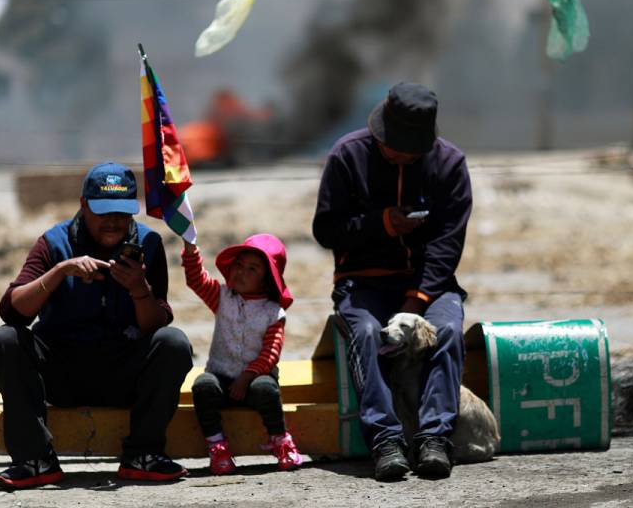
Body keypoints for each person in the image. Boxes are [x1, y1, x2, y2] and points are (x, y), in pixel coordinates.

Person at [0, 162, 193, 489]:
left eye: (122, 214)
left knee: (174, 342)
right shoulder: (53, 243)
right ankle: (35, 459)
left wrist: (139, 289)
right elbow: (12, 311)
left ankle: (143, 455)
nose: (114, 222)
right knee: (6, 341)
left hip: (122, 373)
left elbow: (156, 326)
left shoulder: (149, 245)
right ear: (83, 206)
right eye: (103, 212)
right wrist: (59, 273)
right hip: (62, 372)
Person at [312, 82, 473, 481]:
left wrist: (417, 302)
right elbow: (326, 231)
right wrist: (380, 223)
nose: (398, 153)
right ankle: (385, 440)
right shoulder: (346, 157)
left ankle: (434, 439)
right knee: (366, 332)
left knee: (448, 330)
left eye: (409, 149)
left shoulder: (450, 165)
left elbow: (447, 243)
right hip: (362, 284)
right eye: (392, 145)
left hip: (429, 285)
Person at [180, 234, 303, 475]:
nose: (241, 272)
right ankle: (218, 447)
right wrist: (190, 247)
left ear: (268, 279)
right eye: (238, 265)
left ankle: (280, 440)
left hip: (255, 379)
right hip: (222, 377)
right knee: (203, 386)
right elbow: (196, 279)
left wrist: (246, 377)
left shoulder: (272, 312)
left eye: (252, 268)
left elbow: (271, 353)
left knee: (266, 390)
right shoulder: (222, 296)